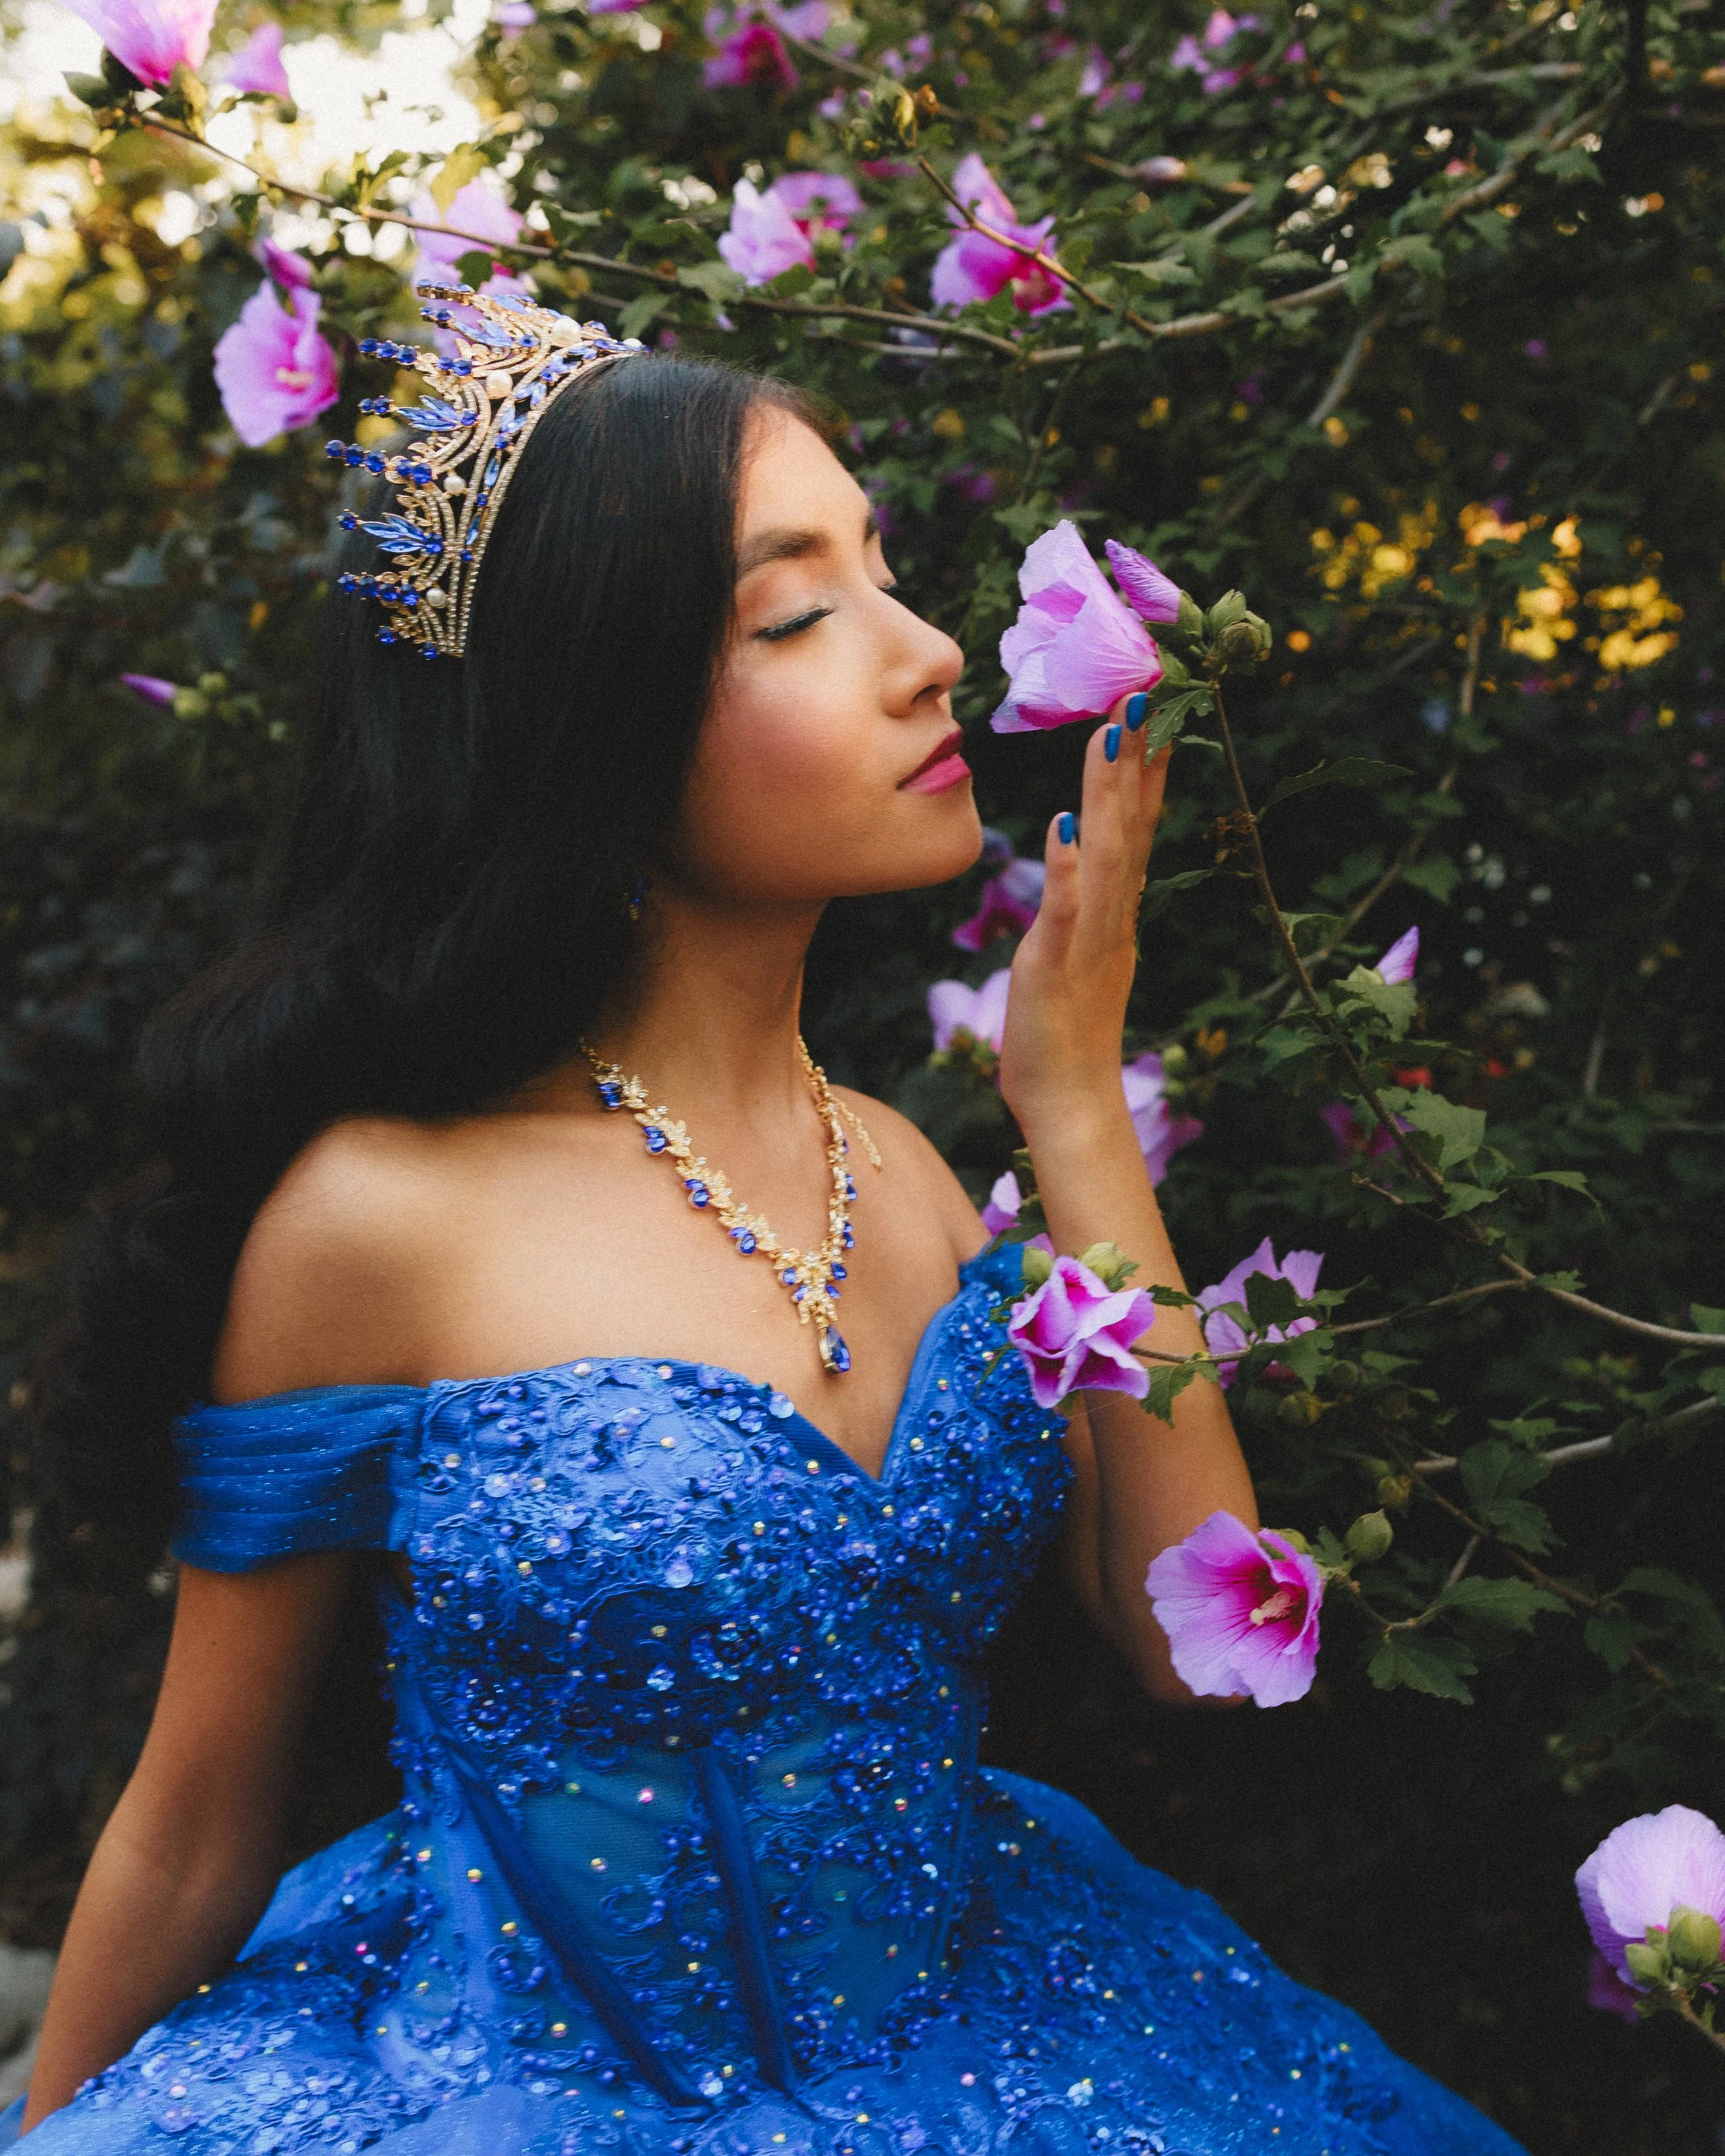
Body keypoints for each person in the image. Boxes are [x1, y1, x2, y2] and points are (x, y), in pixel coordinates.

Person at [10, 297, 1522, 2154]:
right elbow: (192, 1818)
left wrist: (1070, 1102)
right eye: (797, 611)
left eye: (883, 572)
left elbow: (1183, 1627)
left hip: (1028, 2060)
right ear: (596, 721)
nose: (929, 654)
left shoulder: (893, 1166)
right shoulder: (376, 1217)